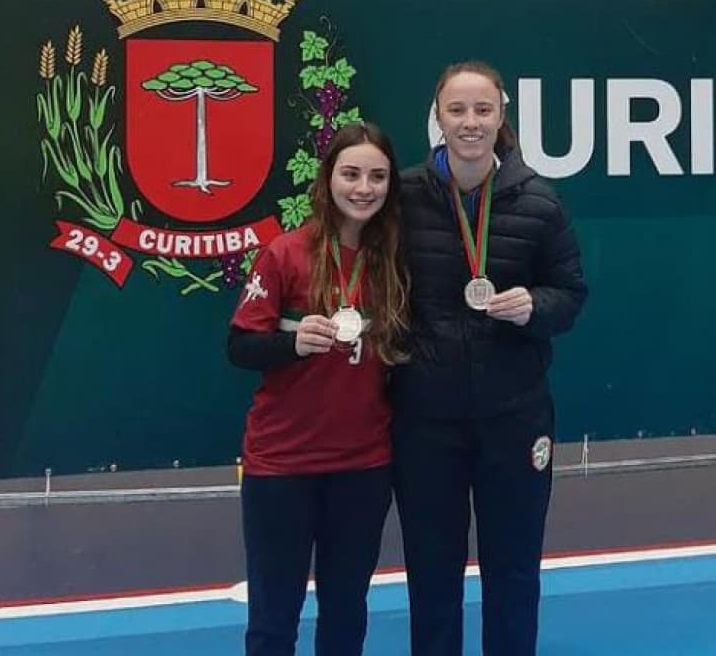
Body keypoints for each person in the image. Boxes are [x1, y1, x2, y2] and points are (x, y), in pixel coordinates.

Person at [392, 61, 588, 656]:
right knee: (431, 574)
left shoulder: (540, 203)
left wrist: (535, 304)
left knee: (514, 570)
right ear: (438, 118)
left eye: (483, 110)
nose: (470, 122)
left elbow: (572, 295)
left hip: (514, 415)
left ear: (502, 116)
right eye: (457, 110)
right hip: (426, 421)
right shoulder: (402, 198)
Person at [227, 121, 408, 656]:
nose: (363, 187)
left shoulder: (394, 262)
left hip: (363, 465)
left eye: (377, 176)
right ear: (328, 178)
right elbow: (239, 347)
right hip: (282, 466)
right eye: (351, 173)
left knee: (347, 612)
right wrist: (292, 344)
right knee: (274, 616)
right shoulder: (285, 254)